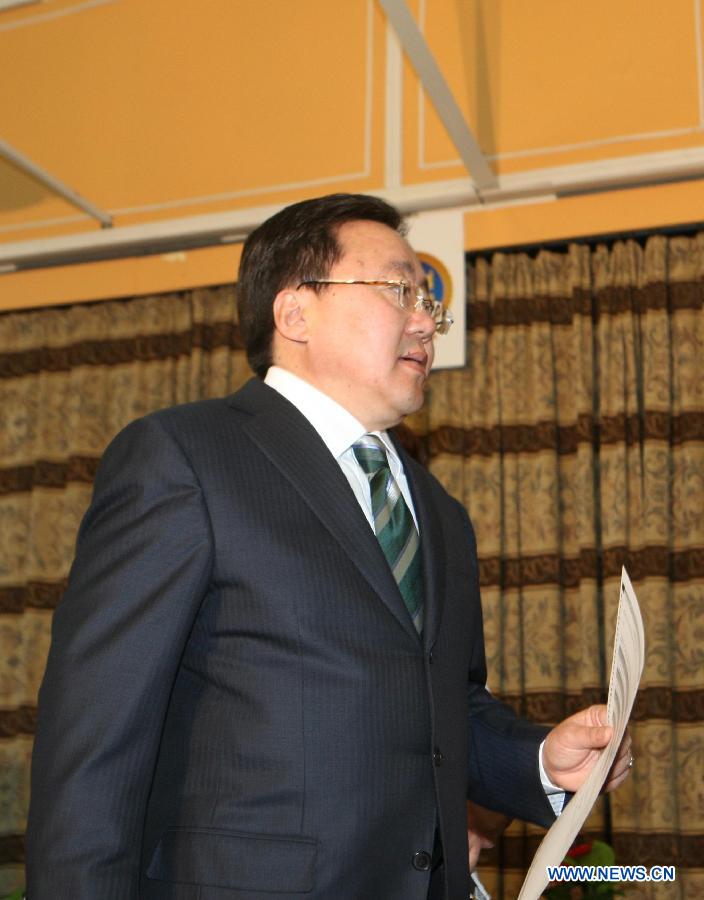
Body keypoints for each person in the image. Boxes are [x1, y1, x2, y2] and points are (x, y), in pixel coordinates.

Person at [26, 194, 632, 900]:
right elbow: (96, 738)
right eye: (398, 289)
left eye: (428, 301)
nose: (424, 319)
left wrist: (537, 763)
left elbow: (445, 705)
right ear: (295, 313)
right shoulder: (185, 457)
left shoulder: (439, 512)